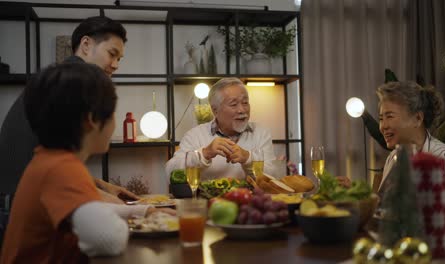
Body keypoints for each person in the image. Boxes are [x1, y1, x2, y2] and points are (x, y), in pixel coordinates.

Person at [0, 63, 174, 263]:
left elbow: (86, 211)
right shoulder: (61, 169)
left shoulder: (48, 160)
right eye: (112, 114)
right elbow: (108, 239)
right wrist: (149, 223)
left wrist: (146, 211)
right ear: (91, 119)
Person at [0, 16, 137, 208]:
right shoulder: (72, 82)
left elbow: (58, 162)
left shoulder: (63, 77)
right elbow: (53, 172)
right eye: (112, 54)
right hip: (20, 202)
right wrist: (102, 197)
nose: (116, 65)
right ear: (86, 44)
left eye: (119, 58)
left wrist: (100, 185)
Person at [165, 77, 276, 181]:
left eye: (245, 102)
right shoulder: (195, 135)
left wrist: (248, 158)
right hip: (207, 200)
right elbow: (170, 172)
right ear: (215, 110)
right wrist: (204, 154)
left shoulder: (260, 132)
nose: (242, 110)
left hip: (249, 200)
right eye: (233, 104)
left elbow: (273, 177)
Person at [376, 81, 445, 194]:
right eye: (381, 119)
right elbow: (382, 207)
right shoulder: (393, 158)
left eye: (389, 116)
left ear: (418, 118)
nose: (383, 126)